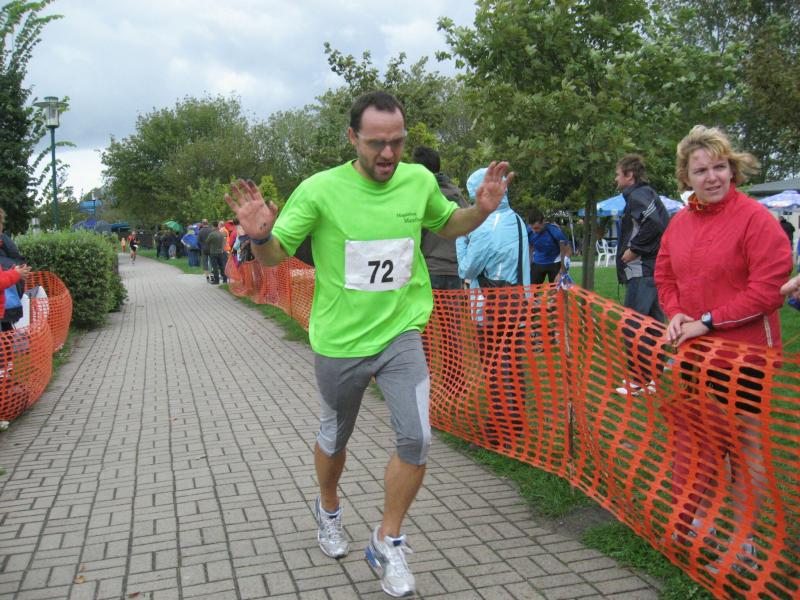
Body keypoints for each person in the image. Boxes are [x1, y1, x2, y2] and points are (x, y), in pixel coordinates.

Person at [225, 90, 513, 598]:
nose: (388, 153)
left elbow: (447, 224)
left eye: (397, 142)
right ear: (352, 137)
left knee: (417, 439)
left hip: (401, 332)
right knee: (335, 437)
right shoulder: (319, 190)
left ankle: (388, 539)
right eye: (376, 143)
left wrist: (481, 211)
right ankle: (328, 507)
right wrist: (260, 237)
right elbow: (275, 256)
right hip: (340, 341)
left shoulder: (418, 180)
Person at [654, 125, 792, 570]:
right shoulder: (679, 222)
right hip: (695, 353)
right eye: (701, 170)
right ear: (686, 177)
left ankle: (743, 542)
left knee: (745, 444)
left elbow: (768, 290)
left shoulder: (755, 219)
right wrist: (676, 313)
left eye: (719, 167)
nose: (711, 177)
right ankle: (703, 521)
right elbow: (665, 276)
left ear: (732, 170)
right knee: (702, 439)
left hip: (746, 355)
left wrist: (708, 322)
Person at [615, 154, 669, 321]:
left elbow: (653, 224)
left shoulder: (638, 195)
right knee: (655, 325)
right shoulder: (644, 194)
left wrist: (634, 249)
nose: (616, 179)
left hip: (641, 270)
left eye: (618, 174)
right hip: (651, 269)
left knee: (633, 326)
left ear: (629, 175)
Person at [412, 146, 469, 290]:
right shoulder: (457, 195)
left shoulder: (420, 196)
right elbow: (469, 230)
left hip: (429, 268)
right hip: (454, 270)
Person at [526, 208, 570, 284]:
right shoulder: (529, 231)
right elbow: (530, 248)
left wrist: (561, 273)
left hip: (555, 263)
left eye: (536, 228)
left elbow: (568, 252)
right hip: (537, 263)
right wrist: (529, 265)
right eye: (532, 228)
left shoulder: (555, 231)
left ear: (543, 222)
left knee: (556, 289)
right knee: (531, 289)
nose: (534, 231)